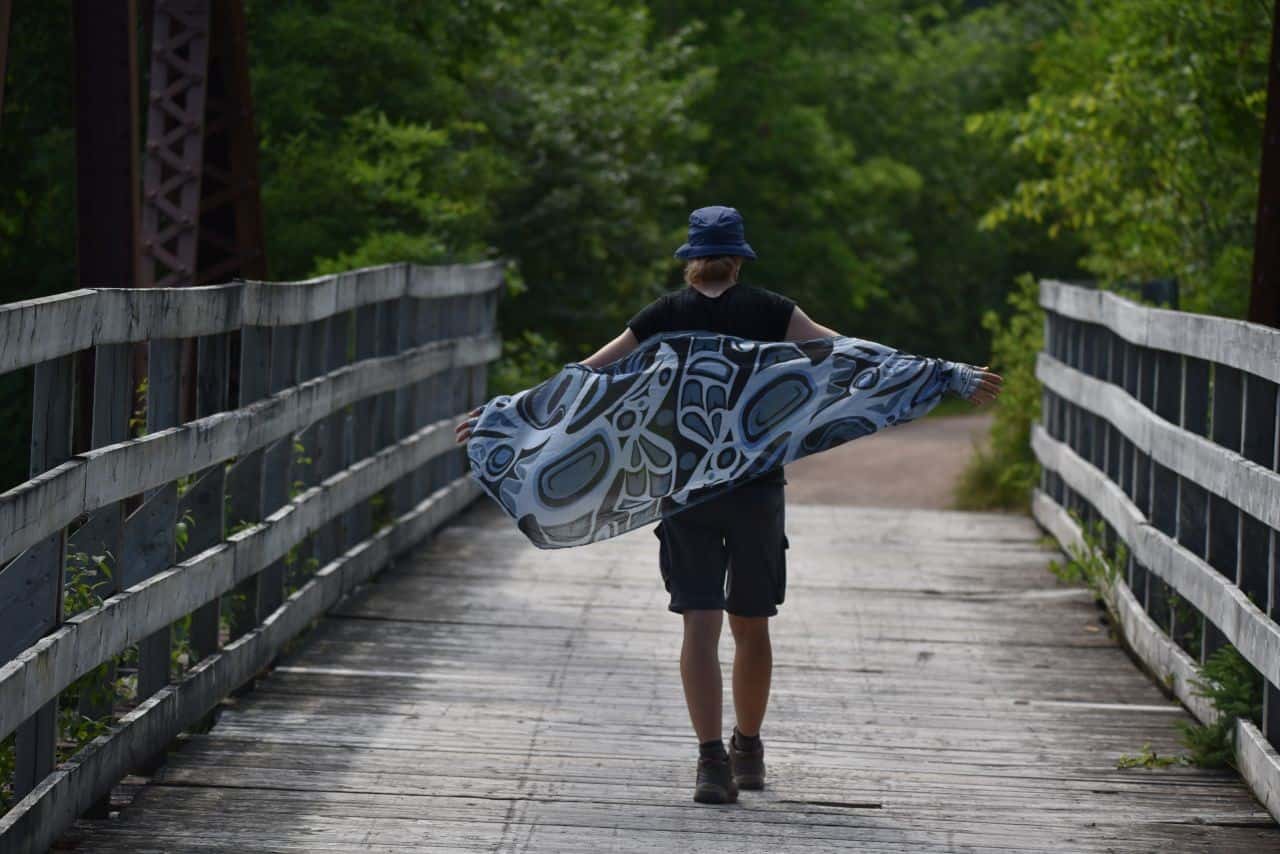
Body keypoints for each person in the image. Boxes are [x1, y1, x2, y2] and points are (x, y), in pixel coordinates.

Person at [455, 205, 1004, 805]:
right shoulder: (771, 310)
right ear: (739, 259)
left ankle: (710, 762)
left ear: (690, 261)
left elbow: (583, 380)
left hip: (685, 494)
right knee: (752, 626)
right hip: (756, 493)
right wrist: (946, 374)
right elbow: (851, 356)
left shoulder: (664, 315)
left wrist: (503, 416)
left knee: (699, 624)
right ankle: (748, 747)